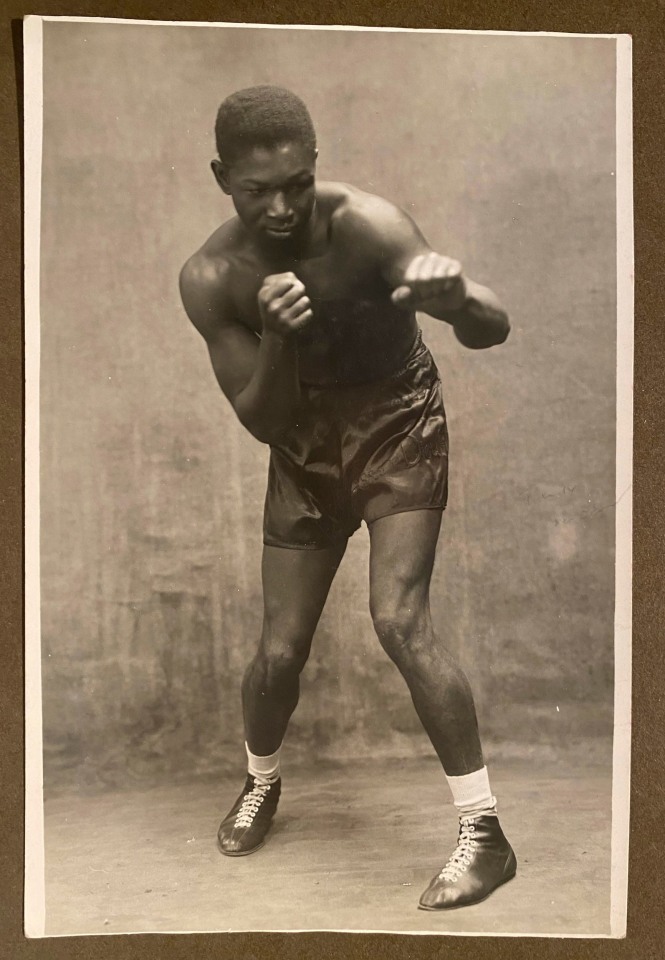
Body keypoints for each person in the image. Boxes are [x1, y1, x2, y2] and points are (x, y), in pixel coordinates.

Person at [179, 86, 516, 911]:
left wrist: (460, 299)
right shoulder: (211, 276)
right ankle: (261, 780)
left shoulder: (372, 226)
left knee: (398, 619)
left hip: (398, 425)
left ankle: (484, 833)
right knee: (278, 654)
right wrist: (280, 341)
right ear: (223, 177)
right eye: (258, 190)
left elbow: (489, 327)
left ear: (315, 162)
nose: (283, 205)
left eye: (296, 182)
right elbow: (264, 421)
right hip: (301, 449)